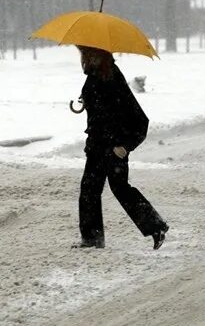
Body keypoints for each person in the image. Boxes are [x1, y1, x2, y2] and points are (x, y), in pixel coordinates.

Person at [72, 45, 169, 250]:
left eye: (84, 53)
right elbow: (99, 109)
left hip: (113, 147)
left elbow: (138, 118)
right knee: (89, 190)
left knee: (120, 189)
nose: (81, 57)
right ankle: (91, 239)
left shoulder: (111, 77)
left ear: (94, 54)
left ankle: (156, 227)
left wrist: (125, 146)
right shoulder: (95, 74)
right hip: (98, 146)